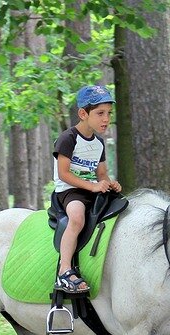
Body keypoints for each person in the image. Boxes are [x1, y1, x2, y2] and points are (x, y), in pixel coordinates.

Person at [52, 84, 122, 293]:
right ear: (83, 113)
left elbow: (101, 174)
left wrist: (110, 183)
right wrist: (91, 186)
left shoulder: (99, 144)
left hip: (92, 188)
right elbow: (64, 173)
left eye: (108, 113)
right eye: (100, 113)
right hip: (69, 190)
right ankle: (64, 270)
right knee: (77, 217)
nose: (106, 119)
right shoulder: (68, 138)